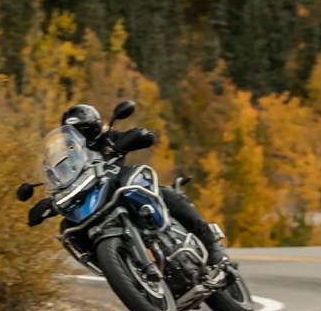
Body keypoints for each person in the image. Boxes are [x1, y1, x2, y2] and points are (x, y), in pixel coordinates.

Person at [59, 103, 228, 267]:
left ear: (94, 127)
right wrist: (49, 201)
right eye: (74, 133)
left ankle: (210, 243)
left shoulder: (109, 139)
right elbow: (62, 181)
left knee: (165, 194)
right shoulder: (72, 162)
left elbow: (146, 136)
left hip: (125, 189)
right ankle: (120, 269)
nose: (80, 136)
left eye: (83, 130)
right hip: (97, 204)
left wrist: (132, 139)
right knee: (68, 225)